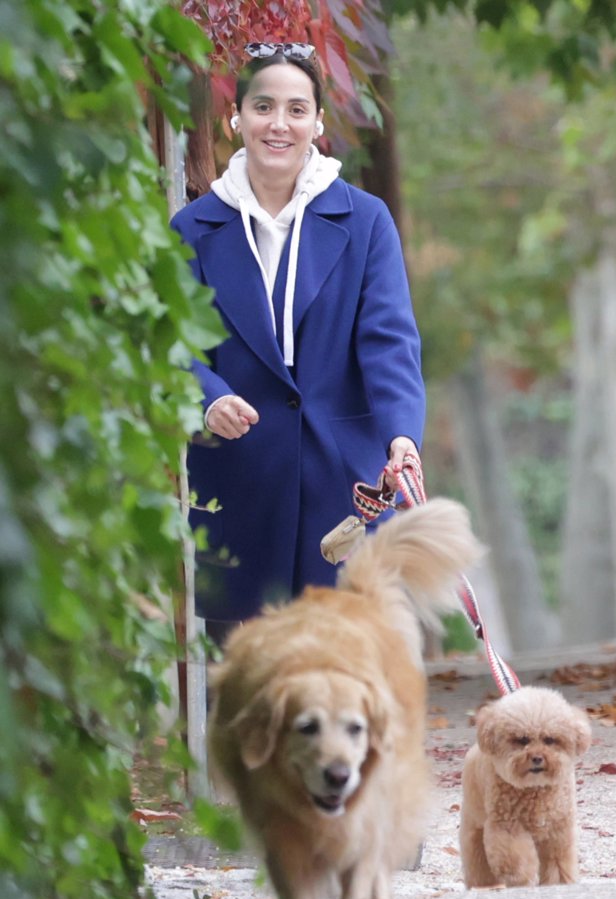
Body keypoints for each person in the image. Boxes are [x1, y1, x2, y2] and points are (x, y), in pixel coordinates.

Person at [172, 41, 426, 644]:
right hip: (238, 480)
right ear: (235, 118)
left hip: (345, 482)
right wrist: (207, 397)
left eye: (295, 108)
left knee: (343, 671)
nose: (278, 124)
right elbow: (173, 344)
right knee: (257, 678)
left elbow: (388, 341)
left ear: (316, 122)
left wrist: (402, 436)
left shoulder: (365, 221)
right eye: (263, 107)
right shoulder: (192, 228)